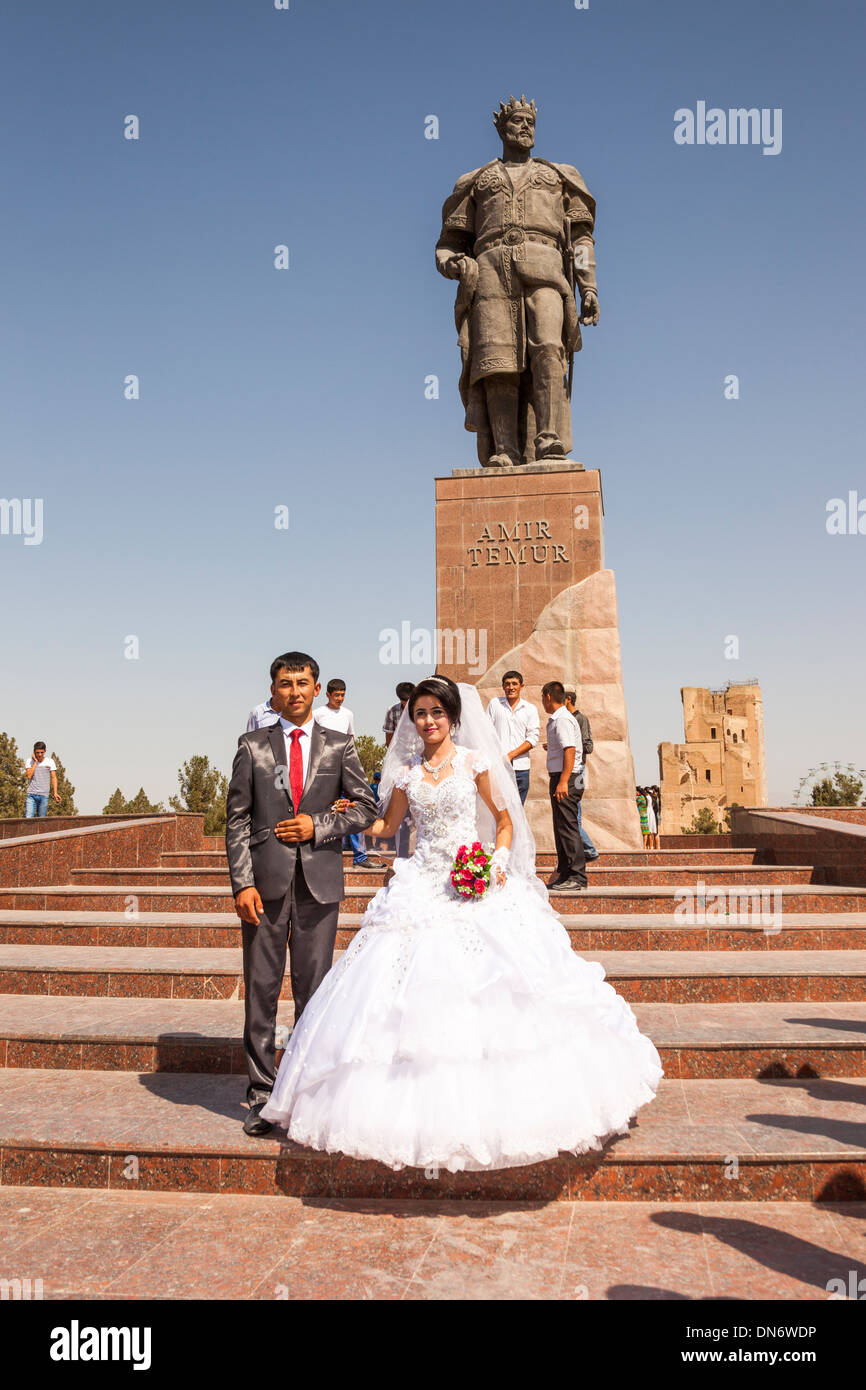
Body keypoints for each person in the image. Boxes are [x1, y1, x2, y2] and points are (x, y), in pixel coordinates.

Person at [259, 676, 662, 1170]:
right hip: (421, 883)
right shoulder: (406, 773)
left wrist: (495, 861)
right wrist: (346, 816)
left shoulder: (475, 763)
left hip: (473, 879)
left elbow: (504, 819)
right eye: (420, 714)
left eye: (436, 713)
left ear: (452, 717)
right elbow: (387, 828)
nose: (427, 722)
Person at [225, 650, 378, 1137]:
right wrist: (242, 882)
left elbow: (365, 807)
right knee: (262, 990)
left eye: (302, 682)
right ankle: (262, 1095)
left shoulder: (340, 745)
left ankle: (309, 1092)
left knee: (315, 993)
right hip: (263, 886)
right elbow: (237, 820)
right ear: (272, 692)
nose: (294, 691)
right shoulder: (252, 746)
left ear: (317, 689)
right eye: (284, 683)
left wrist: (319, 824)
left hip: (319, 882)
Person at [314, 680, 371, 868]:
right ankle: (324, 851)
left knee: (351, 806)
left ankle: (360, 856)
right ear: (328, 695)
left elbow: (350, 740)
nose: (339, 698)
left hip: (344, 766)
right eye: (336, 695)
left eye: (342, 695)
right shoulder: (317, 714)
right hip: (323, 768)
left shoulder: (348, 714)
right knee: (327, 807)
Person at [540, 682, 587, 893]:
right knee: (561, 828)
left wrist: (563, 781)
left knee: (568, 828)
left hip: (566, 778)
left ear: (548, 696)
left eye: (542, 697)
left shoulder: (562, 719)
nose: (542, 702)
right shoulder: (557, 719)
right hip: (561, 776)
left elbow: (570, 750)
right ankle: (566, 873)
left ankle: (577, 876)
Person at [486, 670, 539, 805]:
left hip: (521, 769)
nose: (511, 687)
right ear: (503, 686)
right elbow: (487, 732)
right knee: (500, 809)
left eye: (514, 684)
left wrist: (510, 755)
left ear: (522, 686)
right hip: (499, 767)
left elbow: (533, 738)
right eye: (507, 684)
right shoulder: (495, 704)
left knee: (518, 810)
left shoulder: (530, 709)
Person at [564, 691, 599, 863]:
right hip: (566, 769)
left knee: (574, 813)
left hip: (578, 769)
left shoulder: (580, 719)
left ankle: (589, 850)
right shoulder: (564, 719)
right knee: (571, 812)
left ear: (568, 699)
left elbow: (588, 746)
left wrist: (569, 747)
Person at [383, 682, 415, 858]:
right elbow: (389, 740)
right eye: (403, 701)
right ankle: (401, 855)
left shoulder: (420, 708)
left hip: (419, 762)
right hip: (400, 763)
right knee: (400, 812)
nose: (406, 704)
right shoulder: (392, 711)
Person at [24, 742, 61, 818]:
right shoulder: (29, 761)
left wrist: (55, 793)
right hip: (31, 795)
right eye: (37, 752)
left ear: (45, 751)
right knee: (28, 819)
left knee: (41, 820)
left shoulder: (50, 762)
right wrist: (35, 763)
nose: (40, 754)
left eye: (41, 752)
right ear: (34, 752)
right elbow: (28, 776)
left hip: (44, 795)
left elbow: (54, 777)